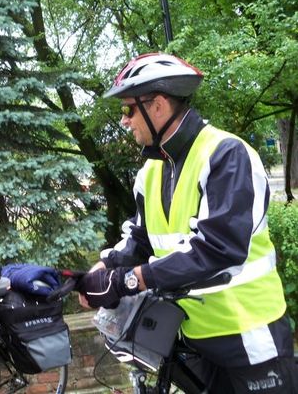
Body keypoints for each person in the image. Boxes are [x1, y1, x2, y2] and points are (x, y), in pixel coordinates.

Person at [78, 53, 298, 393]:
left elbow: (217, 248)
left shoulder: (226, 154)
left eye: (128, 109)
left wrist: (129, 280)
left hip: (249, 335)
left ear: (158, 106)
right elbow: (140, 239)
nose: (124, 120)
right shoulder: (151, 171)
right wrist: (101, 269)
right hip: (194, 337)